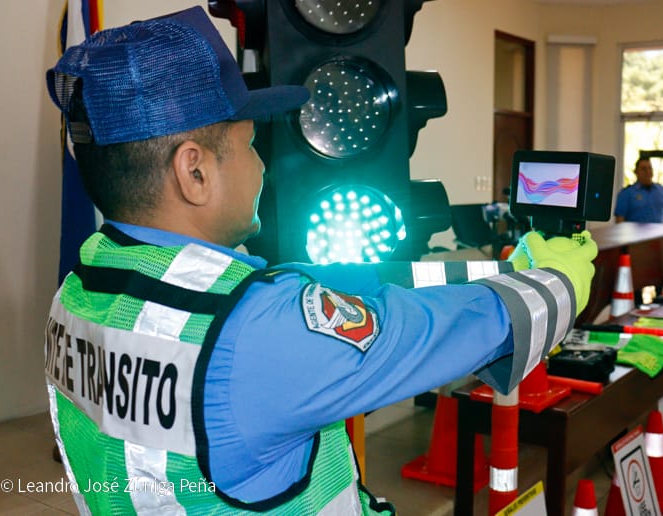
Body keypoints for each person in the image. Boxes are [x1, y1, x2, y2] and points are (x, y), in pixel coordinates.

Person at [44, 7, 597, 514]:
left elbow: (318, 291)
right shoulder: (257, 332)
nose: (262, 165)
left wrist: (500, 268)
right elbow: (457, 328)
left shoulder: (79, 295)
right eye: (249, 144)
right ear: (195, 172)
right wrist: (558, 280)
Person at [614, 157, 663, 223]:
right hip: (635, 233)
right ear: (636, 171)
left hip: (660, 232)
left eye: (650, 168)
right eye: (643, 169)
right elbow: (619, 220)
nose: (647, 171)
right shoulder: (626, 193)